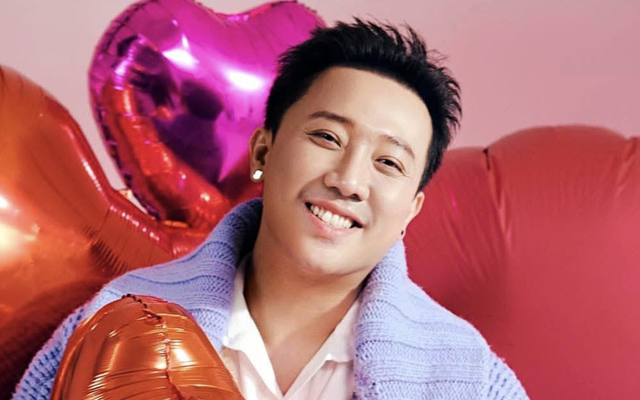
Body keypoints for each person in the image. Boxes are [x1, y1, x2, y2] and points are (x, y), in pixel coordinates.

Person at [12, 19, 528, 400]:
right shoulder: (117, 317)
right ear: (263, 151)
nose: (348, 180)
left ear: (411, 210)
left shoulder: (472, 379)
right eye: (327, 137)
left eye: (388, 163)